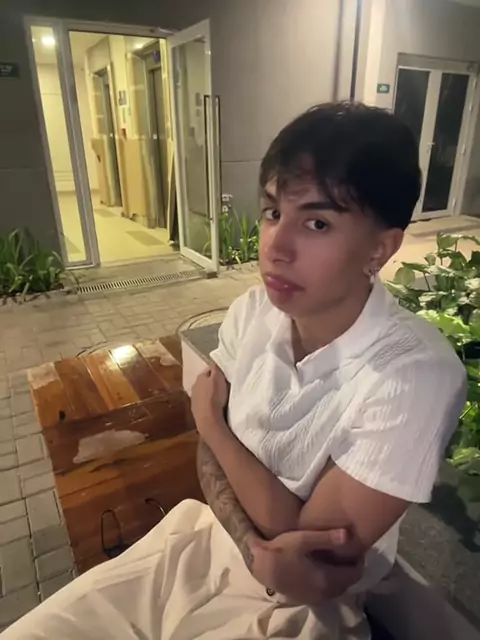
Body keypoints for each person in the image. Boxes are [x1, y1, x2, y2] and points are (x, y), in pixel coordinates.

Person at [2, 102, 466, 640]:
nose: (275, 247)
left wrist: (213, 425)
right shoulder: (254, 311)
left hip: (303, 611)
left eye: (317, 222)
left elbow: (306, 559)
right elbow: (236, 493)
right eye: (272, 212)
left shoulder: (412, 374)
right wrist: (249, 538)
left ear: (380, 248)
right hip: (200, 542)